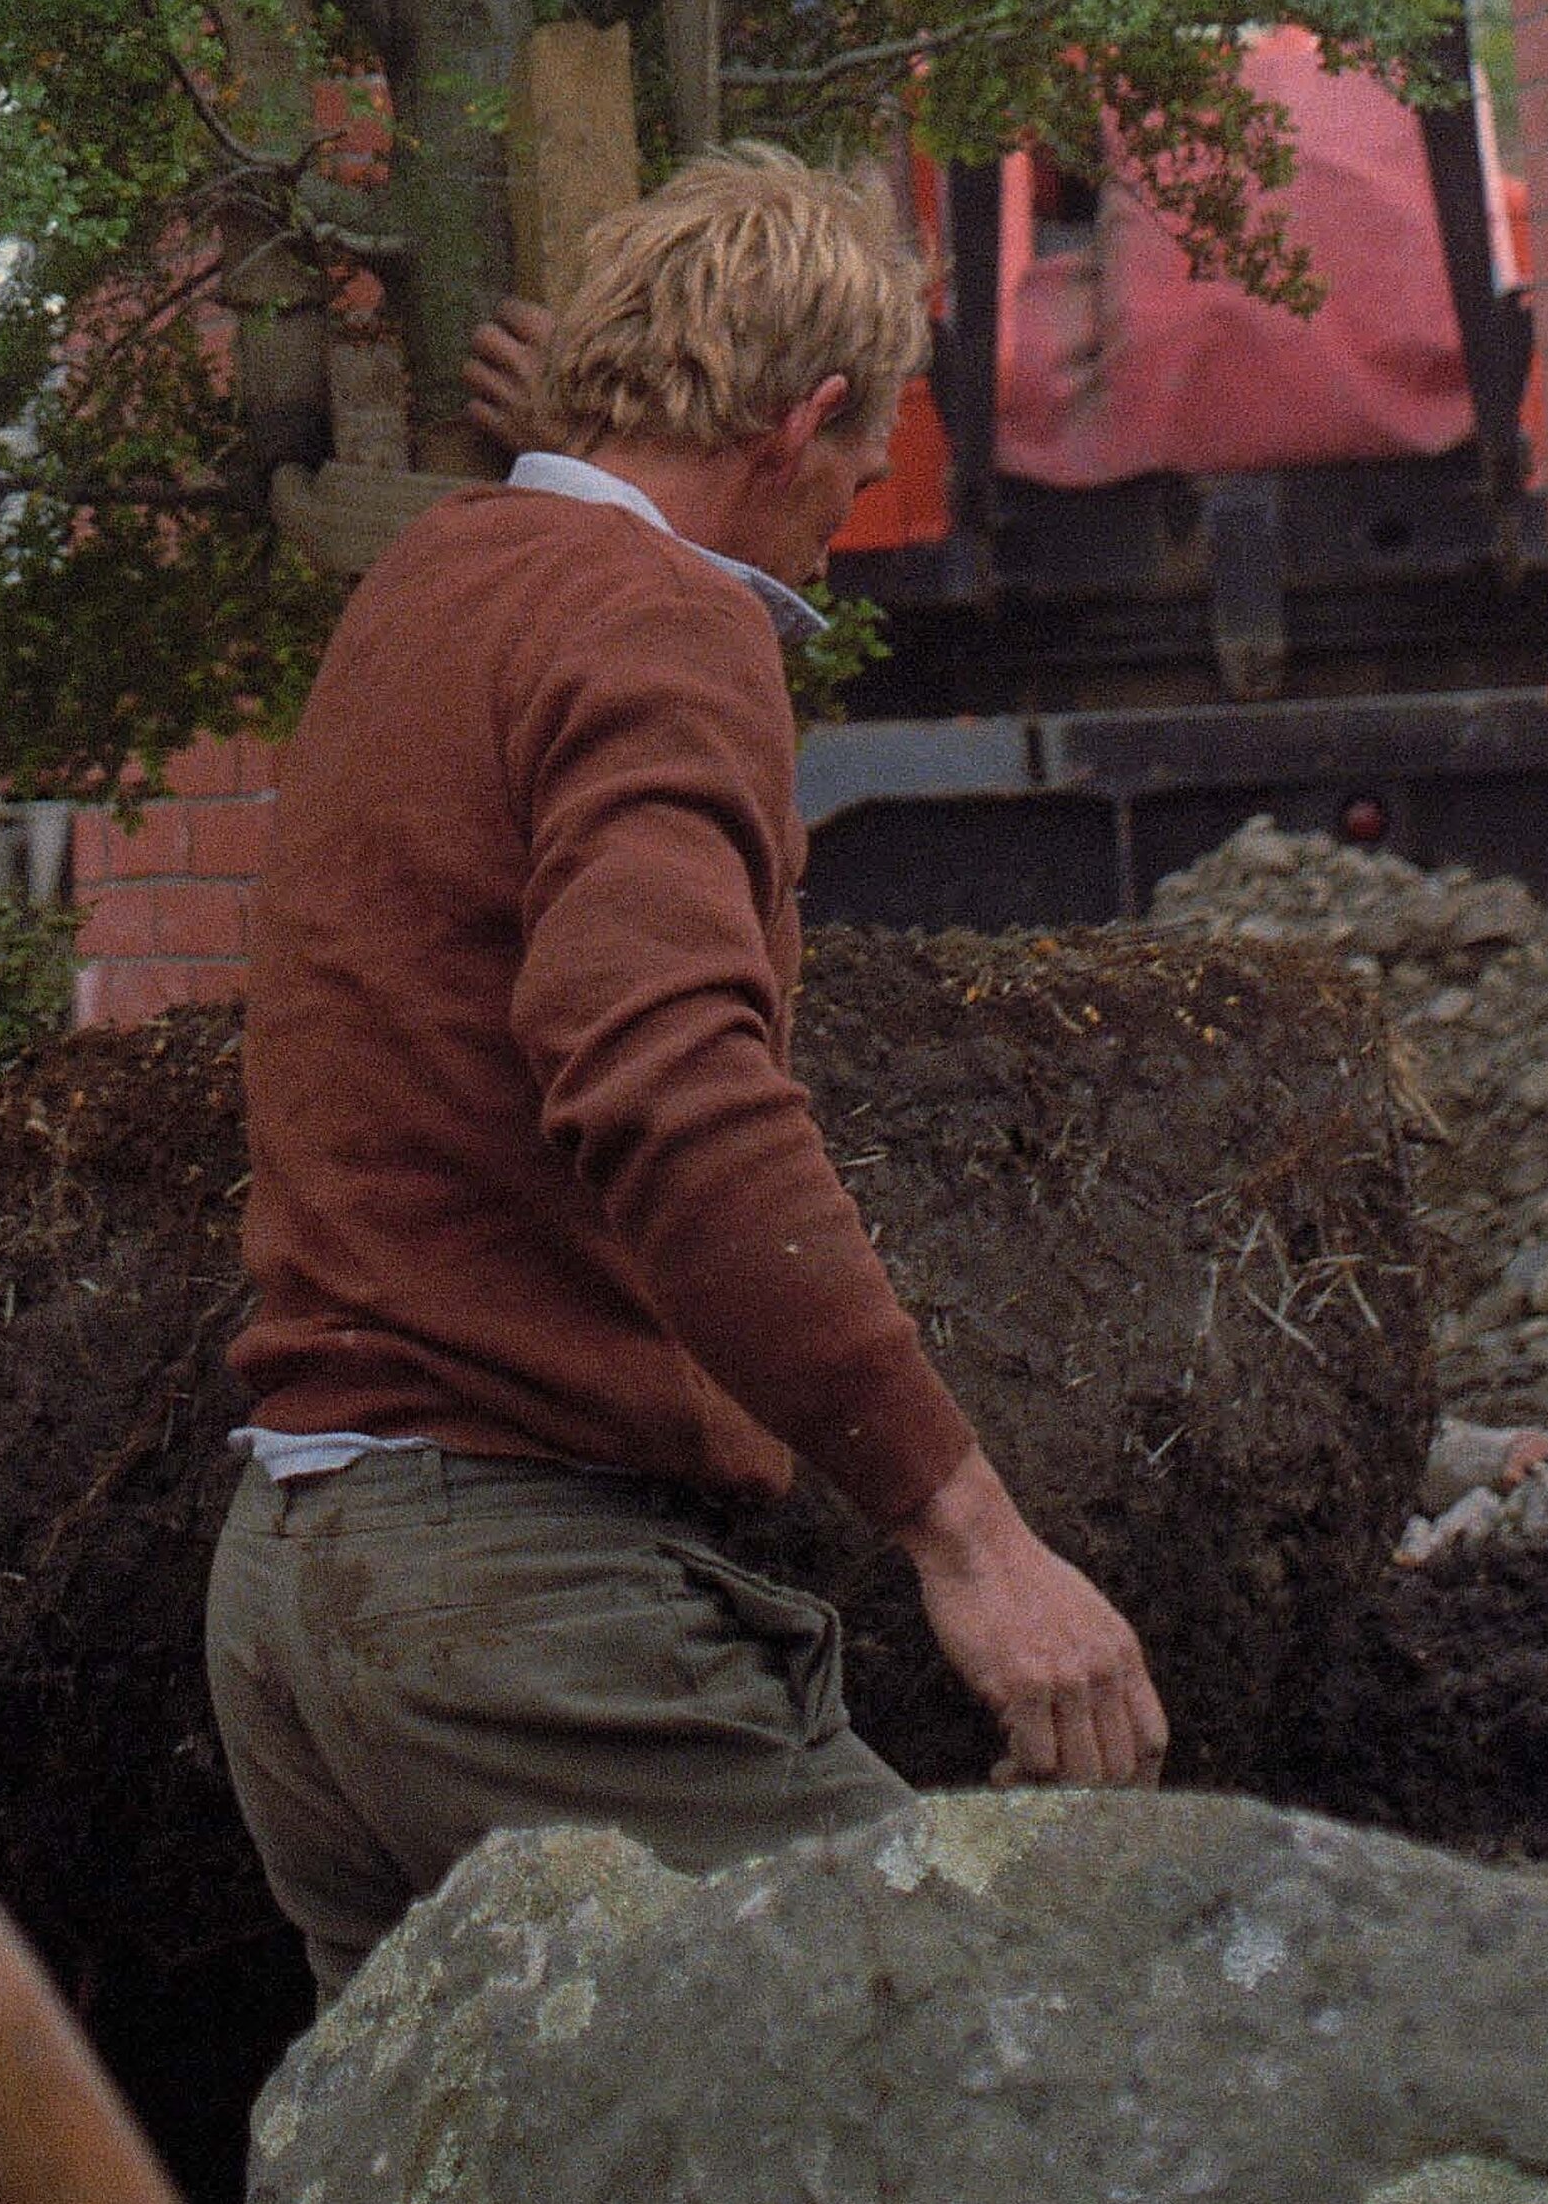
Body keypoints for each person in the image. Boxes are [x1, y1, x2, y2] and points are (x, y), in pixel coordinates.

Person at [207, 140, 1165, 1999]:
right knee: (988, 2062)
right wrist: (967, 1534)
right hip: (523, 1615)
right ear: (800, 420)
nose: (841, 523)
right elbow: (665, 1079)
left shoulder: (430, 587)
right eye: (854, 474)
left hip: (297, 1593)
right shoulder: (663, 618)